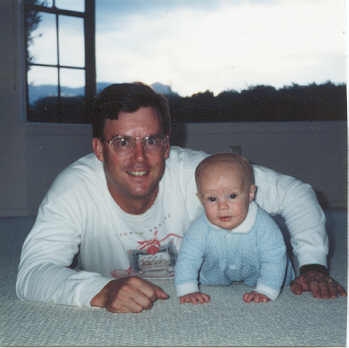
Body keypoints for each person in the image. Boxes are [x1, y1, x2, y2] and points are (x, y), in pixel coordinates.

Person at [16, 82, 346, 314]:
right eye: (122, 143)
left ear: (167, 144)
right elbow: (32, 274)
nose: (139, 158)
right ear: (99, 149)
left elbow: (296, 194)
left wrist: (313, 264)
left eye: (151, 141)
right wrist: (97, 292)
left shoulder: (198, 172)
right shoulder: (74, 189)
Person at [175, 153, 294, 304]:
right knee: (199, 269)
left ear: (250, 193)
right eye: (212, 199)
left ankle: (270, 282)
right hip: (216, 272)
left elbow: (274, 258)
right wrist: (187, 289)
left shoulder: (265, 226)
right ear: (200, 199)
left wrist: (266, 290)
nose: (222, 206)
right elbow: (188, 258)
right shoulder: (199, 227)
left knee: (281, 270)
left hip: (260, 272)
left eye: (232, 196)